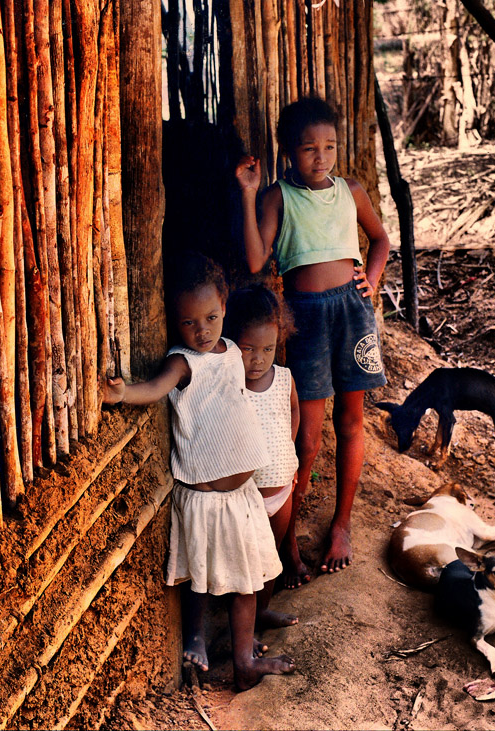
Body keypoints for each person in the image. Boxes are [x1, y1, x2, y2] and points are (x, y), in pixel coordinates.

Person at [102, 253, 295, 691]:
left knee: (246, 583)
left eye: (210, 317)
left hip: (243, 494)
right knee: (201, 579)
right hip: (205, 498)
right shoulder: (183, 362)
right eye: (189, 323)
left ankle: (244, 660)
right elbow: (154, 389)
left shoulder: (233, 351)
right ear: (175, 322)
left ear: (225, 306)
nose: (202, 330)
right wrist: (122, 393)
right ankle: (195, 637)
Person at [235, 97, 390, 588]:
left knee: (351, 421)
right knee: (306, 436)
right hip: (306, 319)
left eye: (328, 147)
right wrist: (248, 192)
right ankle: (289, 542)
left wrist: (373, 278)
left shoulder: (351, 190)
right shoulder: (278, 197)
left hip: (352, 310)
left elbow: (380, 239)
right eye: (308, 149)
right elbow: (258, 260)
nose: (320, 157)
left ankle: (341, 525)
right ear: (288, 152)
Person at [225, 284, 300, 629]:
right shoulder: (230, 384)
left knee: (272, 557)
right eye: (247, 349)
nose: (258, 359)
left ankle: (263, 611)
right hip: (246, 496)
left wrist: (289, 453)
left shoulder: (284, 378)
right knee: (247, 561)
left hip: (282, 489)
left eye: (268, 348)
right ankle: (242, 626)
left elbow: (293, 413)